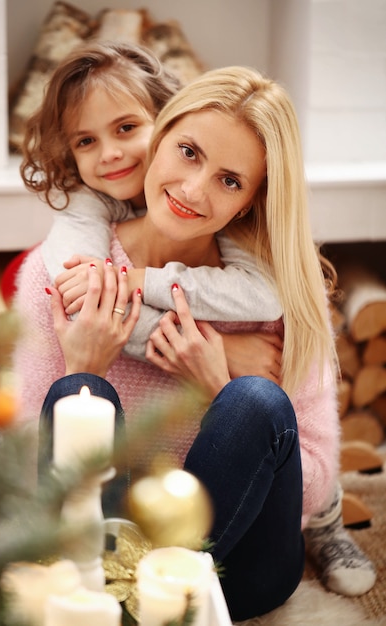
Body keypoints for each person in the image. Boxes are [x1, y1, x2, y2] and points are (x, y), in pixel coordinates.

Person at [31, 65, 375, 619]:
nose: (194, 189)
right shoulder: (72, 270)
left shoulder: (277, 294)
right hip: (98, 544)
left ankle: (147, 599)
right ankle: (130, 594)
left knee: (255, 401)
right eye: (189, 152)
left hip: (233, 568)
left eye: (230, 180)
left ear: (251, 202)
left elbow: (309, 483)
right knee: (78, 391)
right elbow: (25, 474)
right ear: (160, 136)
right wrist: (82, 367)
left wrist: (220, 389)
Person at [19, 39, 282, 365]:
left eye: (126, 128)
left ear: (167, 119)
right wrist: (219, 349)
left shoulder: (218, 210)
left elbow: (262, 294)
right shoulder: (83, 204)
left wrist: (138, 279)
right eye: (86, 140)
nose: (110, 153)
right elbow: (93, 304)